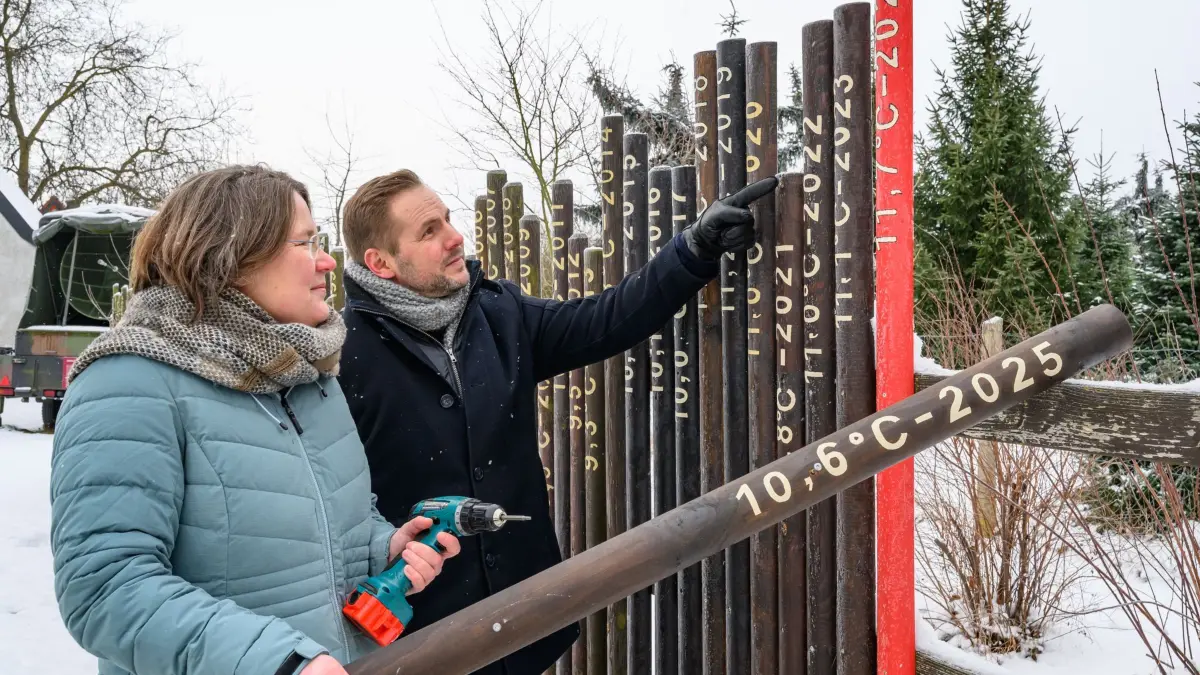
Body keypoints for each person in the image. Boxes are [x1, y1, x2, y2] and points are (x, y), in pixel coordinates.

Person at [336, 168, 777, 674]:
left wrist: (694, 248)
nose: (455, 237)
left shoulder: (499, 314)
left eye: (448, 220)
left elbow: (606, 320)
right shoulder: (344, 357)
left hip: (524, 618)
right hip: (419, 637)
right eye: (428, 231)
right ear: (381, 262)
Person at [48, 164, 462, 675]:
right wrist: (280, 663)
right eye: (305, 244)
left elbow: (331, 530)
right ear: (233, 256)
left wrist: (385, 548)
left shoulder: (308, 377)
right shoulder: (128, 381)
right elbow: (106, 591)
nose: (327, 262)